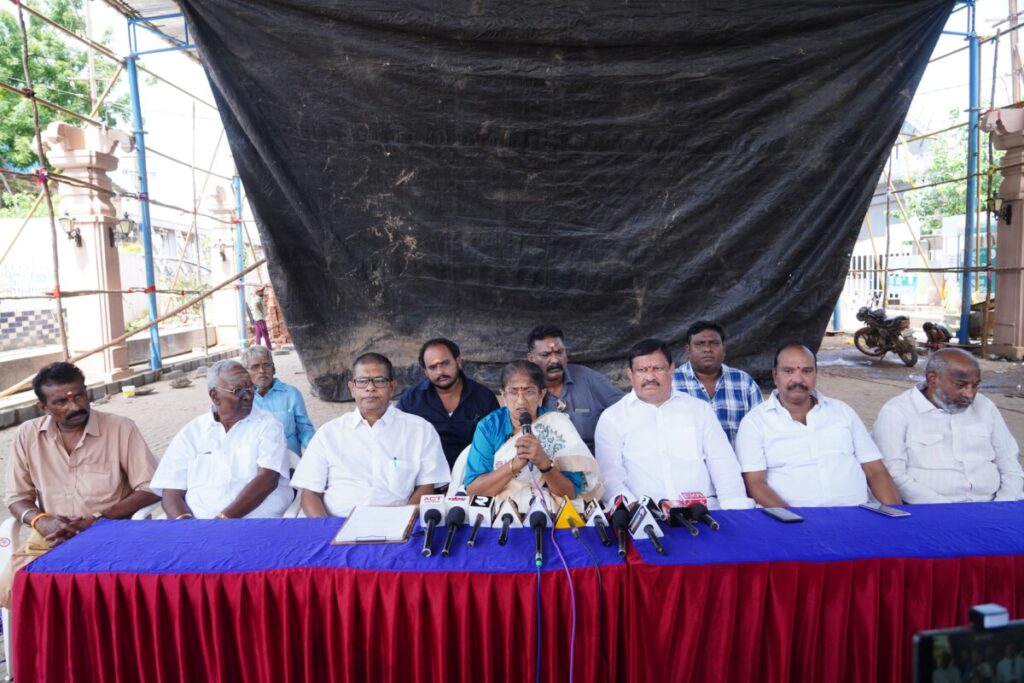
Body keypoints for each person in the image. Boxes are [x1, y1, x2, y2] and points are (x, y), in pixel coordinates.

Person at [1, 362, 159, 607]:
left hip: (112, 533)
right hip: (52, 536)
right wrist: (41, 521)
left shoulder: (120, 428)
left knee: (100, 593)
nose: (74, 406)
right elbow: (16, 498)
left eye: (78, 396)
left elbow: (151, 488)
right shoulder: (27, 435)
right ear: (43, 407)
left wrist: (97, 519)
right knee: (12, 586)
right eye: (61, 402)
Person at [736, 342, 901, 507]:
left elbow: (875, 471)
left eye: (806, 371)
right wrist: (793, 518)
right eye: (788, 371)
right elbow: (755, 483)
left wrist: (898, 515)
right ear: (775, 375)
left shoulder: (842, 412)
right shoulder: (755, 422)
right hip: (794, 517)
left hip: (856, 513)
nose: (798, 379)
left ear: (816, 374)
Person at [594, 338, 752, 509]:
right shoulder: (613, 417)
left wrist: (734, 511)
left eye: (658, 369)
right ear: (630, 374)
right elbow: (610, 477)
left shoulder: (698, 410)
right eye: (642, 370)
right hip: (646, 515)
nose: (650, 377)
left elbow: (723, 464)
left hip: (704, 512)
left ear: (671, 369)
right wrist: (632, 509)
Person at [291, 353, 450, 516]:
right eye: (362, 381)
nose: (370, 388)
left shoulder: (420, 430)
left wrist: (403, 520)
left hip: (396, 522)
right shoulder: (329, 433)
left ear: (392, 387)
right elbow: (309, 493)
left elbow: (426, 486)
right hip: (338, 522)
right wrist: (327, 528)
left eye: (379, 380)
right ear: (352, 388)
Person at [872, 348, 1023, 504]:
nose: (970, 394)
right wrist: (948, 511)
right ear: (933, 380)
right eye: (961, 385)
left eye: (975, 385)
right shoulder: (897, 411)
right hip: (929, 508)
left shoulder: (985, 406)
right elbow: (893, 475)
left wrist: (1003, 504)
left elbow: (1010, 466)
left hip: (993, 504)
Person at [151, 360, 293, 519]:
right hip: (197, 524)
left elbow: (268, 479)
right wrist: (185, 523)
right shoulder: (192, 432)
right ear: (215, 396)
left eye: (251, 388)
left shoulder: (268, 425)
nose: (248, 396)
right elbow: (171, 489)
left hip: (256, 521)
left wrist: (222, 520)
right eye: (239, 390)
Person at [464, 360, 603, 511]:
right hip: (502, 512)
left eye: (528, 391)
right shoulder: (489, 427)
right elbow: (474, 490)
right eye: (513, 392)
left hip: (549, 511)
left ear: (541, 394)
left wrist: (545, 464)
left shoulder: (557, 425)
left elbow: (570, 493)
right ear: (503, 395)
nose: (521, 401)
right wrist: (515, 464)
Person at [396, 338, 499, 469]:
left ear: (458, 362)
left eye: (445, 363)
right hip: (426, 477)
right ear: (426, 372)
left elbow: (497, 444)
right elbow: (397, 443)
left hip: (474, 475)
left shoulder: (484, 397)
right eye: (433, 367)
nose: (440, 372)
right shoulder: (410, 401)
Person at [526, 324, 623, 451]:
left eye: (559, 352)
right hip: (545, 461)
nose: (555, 360)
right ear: (531, 358)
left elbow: (626, 410)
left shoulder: (587, 378)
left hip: (592, 461)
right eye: (546, 355)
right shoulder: (525, 389)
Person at [672, 320, 763, 445]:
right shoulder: (671, 382)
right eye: (700, 344)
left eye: (714, 343)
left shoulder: (744, 382)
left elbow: (761, 428)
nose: (707, 349)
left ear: (723, 349)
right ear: (688, 350)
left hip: (736, 457)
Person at [242, 345, 316, 457]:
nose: (262, 371)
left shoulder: (291, 394)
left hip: (290, 460)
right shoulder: (241, 399)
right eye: (255, 367)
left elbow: (305, 429)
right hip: (254, 462)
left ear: (274, 369)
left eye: (267, 365)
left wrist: (316, 448)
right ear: (246, 373)